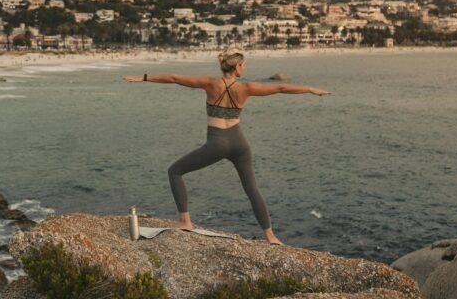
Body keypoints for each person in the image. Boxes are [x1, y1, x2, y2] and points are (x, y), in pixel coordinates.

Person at [122, 48, 330, 245]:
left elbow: (175, 79)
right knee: (252, 189)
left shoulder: (210, 84)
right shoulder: (246, 88)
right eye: (244, 65)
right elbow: (281, 87)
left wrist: (145, 77)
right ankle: (271, 236)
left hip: (217, 143)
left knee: (175, 171)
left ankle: (185, 220)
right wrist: (310, 89)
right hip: (240, 143)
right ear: (237, 67)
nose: (244, 69)